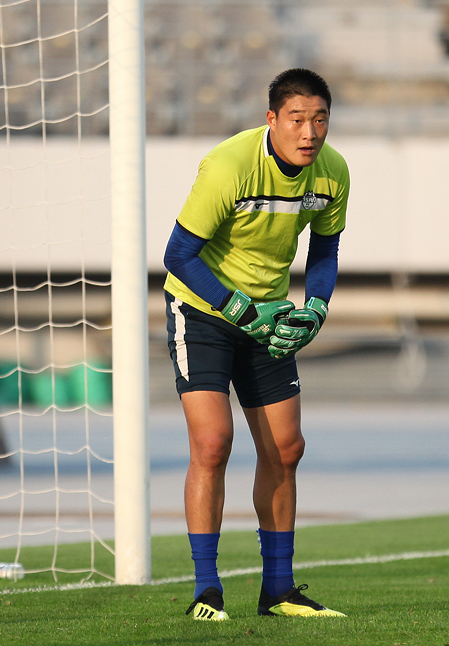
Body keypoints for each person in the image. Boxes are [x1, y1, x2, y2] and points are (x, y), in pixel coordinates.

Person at [162, 68, 349, 621]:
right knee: (212, 443)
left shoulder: (333, 172)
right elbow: (178, 255)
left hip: (268, 312)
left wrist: (316, 307)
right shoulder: (229, 166)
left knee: (287, 449)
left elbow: (325, 252)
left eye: (320, 119)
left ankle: (279, 591)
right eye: (297, 119)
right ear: (272, 119)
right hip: (204, 310)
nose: (309, 132)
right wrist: (238, 308)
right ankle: (206, 592)